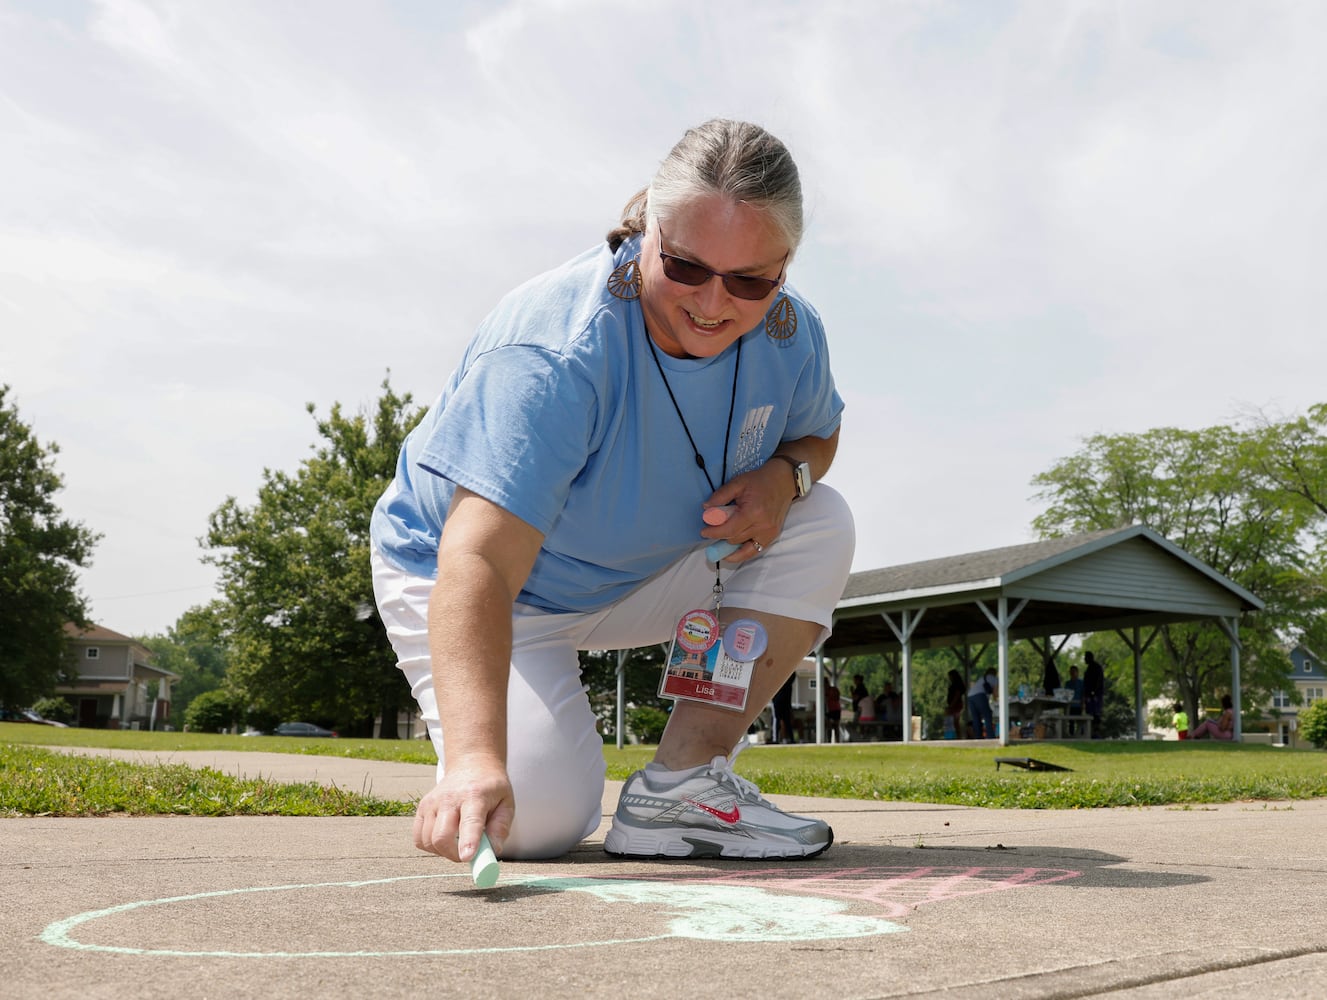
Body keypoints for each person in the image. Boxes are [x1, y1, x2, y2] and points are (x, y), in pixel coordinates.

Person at [370, 119, 854, 865]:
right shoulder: (555, 352)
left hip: (647, 570)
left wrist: (784, 477)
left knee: (820, 518)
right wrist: (473, 760)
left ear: (784, 268)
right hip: (489, 586)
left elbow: (818, 437)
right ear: (646, 231)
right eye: (687, 267)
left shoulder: (790, 331)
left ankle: (682, 785)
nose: (715, 305)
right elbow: (478, 563)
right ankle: (483, 760)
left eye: (750, 280)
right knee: (531, 824)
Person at [966, 671, 995, 739]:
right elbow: (995, 693)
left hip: (970, 696)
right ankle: (990, 735)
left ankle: (978, 736)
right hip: (980, 695)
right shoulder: (994, 679)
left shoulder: (981, 679)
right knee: (987, 715)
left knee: (976, 717)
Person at [1083, 651, 1106, 736]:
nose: (1084, 659)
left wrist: (1094, 692)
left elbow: (1098, 681)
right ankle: (1091, 732)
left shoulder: (1096, 667)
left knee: (1096, 713)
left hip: (1095, 694)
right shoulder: (1089, 668)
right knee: (1090, 713)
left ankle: (1096, 733)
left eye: (1085, 657)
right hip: (1090, 695)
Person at [944, 669, 966, 739]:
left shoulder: (957, 685)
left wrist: (951, 705)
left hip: (956, 704)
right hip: (954, 704)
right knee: (954, 722)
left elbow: (957, 695)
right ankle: (956, 735)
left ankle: (957, 736)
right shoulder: (954, 684)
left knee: (955, 722)